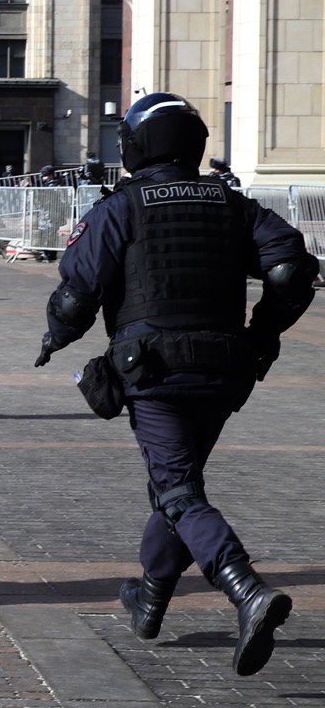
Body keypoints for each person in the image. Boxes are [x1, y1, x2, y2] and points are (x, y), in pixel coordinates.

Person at [33, 92, 317, 676]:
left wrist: (55, 337)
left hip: (154, 371)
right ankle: (152, 595)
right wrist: (262, 333)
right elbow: (291, 268)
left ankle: (247, 590)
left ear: (135, 147)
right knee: (177, 489)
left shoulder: (122, 207)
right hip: (223, 371)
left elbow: (77, 293)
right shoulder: (234, 206)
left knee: (178, 490)